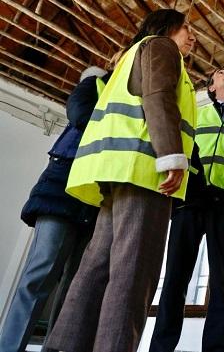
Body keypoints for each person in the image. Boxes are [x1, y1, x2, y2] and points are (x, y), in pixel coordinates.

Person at [45, 8, 198, 352]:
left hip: (116, 174)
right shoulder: (162, 47)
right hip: (145, 172)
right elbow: (158, 98)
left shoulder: (133, 52)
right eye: (187, 27)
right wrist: (171, 155)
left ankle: (63, 346)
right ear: (167, 26)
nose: (193, 35)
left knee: (95, 271)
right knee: (133, 275)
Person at [149, 68, 224, 352]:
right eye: (221, 73)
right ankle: (160, 348)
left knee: (223, 284)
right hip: (190, 200)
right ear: (211, 87)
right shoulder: (195, 115)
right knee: (175, 279)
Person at [0, 67, 109, 352]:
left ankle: (56, 348)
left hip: (97, 195)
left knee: (76, 287)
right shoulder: (92, 85)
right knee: (40, 272)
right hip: (62, 188)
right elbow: (80, 115)